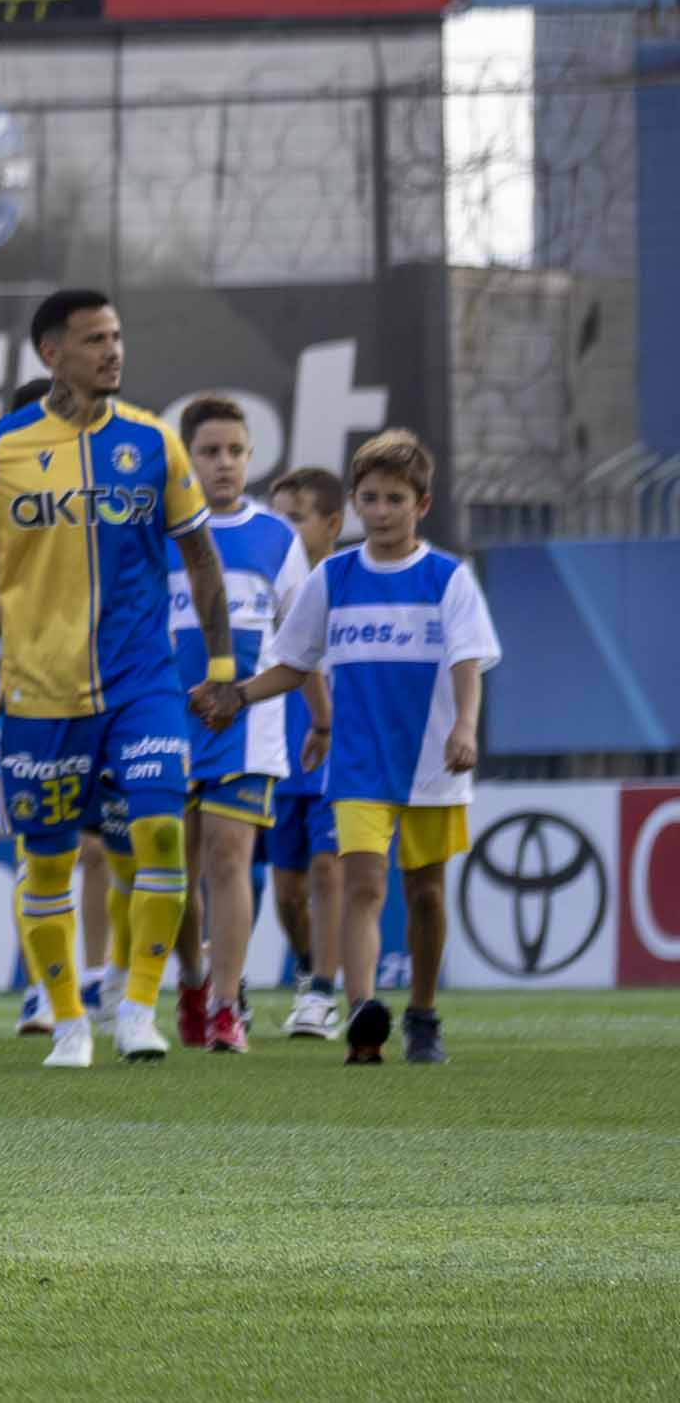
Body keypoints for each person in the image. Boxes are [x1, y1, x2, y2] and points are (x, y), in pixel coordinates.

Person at [0, 285, 232, 1075]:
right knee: (49, 861)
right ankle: (67, 1021)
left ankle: (138, 1009)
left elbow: (200, 558)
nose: (112, 352)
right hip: (37, 692)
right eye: (94, 340)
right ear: (52, 353)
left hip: (142, 685)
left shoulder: (156, 443)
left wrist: (221, 668)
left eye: (117, 337)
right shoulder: (1, 450)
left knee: (158, 833)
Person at [256, 430, 493, 1066]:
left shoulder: (449, 578)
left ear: (423, 504)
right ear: (355, 505)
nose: (381, 511)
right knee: (362, 883)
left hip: (431, 764)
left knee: (426, 893)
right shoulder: (333, 577)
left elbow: (470, 660)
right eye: (370, 498)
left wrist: (464, 726)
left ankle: (422, 1015)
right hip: (357, 763)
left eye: (395, 498)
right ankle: (363, 1016)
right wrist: (236, 695)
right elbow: (293, 662)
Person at [167, 394, 304, 1059]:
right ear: (187, 458)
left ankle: (227, 1005)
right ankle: (192, 980)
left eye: (235, 451)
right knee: (172, 867)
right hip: (167, 719)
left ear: (251, 456)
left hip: (248, 725)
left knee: (228, 858)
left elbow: (302, 643)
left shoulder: (278, 537)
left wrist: (251, 698)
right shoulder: (161, 529)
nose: (223, 464)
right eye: (209, 452)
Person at [262, 462, 357, 1036]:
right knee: (287, 889)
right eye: (277, 518)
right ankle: (305, 968)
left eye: (295, 519)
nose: (284, 530)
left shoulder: (351, 584)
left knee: (329, 868)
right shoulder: (268, 588)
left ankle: (323, 991)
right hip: (280, 753)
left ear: (332, 524)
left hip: (340, 756)